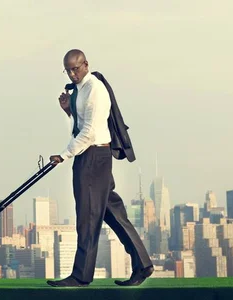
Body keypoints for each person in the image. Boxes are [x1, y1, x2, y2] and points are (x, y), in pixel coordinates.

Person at [46, 49, 154, 287]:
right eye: (68, 70)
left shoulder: (95, 89)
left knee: (87, 217)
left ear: (85, 64)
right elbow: (83, 123)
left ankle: (80, 276)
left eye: (76, 68)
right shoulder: (82, 89)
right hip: (93, 156)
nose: (72, 74)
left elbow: (90, 132)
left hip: (94, 157)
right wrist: (69, 111)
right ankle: (143, 265)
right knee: (113, 213)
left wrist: (63, 155)